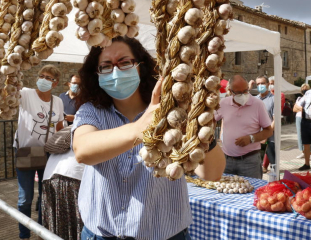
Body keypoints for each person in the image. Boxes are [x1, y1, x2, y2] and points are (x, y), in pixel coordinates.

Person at [72, 37, 225, 239]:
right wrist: (141, 127)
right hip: (101, 234)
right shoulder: (91, 111)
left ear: (140, 67)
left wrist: (196, 126)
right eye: (106, 66)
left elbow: (211, 173)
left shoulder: (172, 113)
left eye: (125, 62)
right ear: (96, 74)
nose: (116, 71)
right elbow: (83, 151)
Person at [14, 65, 64, 240]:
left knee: (46, 197)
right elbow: (9, 92)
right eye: (41, 76)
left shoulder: (57, 101)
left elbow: (59, 126)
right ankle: (24, 235)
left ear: (55, 82)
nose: (43, 79)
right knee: (25, 199)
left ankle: (42, 231)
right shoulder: (26, 94)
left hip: (48, 153)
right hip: (25, 152)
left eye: (48, 77)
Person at [214, 74, 273, 179]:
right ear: (230, 91)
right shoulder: (223, 103)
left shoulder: (257, 104)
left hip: (250, 161)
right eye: (238, 92)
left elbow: (268, 131)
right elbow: (210, 121)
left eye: (245, 91)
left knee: (253, 192)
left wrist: (251, 138)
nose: (243, 95)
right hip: (227, 161)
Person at [42, 146, 85, 239]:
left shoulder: (66, 133)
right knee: (77, 222)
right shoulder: (97, 132)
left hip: (49, 177)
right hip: (72, 178)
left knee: (55, 224)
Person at [255, 75, 275, 174]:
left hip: (270, 137)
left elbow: (275, 119)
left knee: (274, 164)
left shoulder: (274, 99)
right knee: (256, 164)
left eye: (262, 83)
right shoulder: (254, 99)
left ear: (267, 84)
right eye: (258, 84)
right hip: (256, 136)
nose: (260, 86)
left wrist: (266, 135)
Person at [294, 83, 311, 160]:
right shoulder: (299, 98)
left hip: (308, 117)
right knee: (300, 135)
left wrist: (299, 108)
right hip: (299, 117)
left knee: (309, 135)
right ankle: (303, 152)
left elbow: (308, 109)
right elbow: (294, 109)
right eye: (303, 88)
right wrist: (301, 109)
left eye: (306, 88)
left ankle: (310, 153)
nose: (304, 89)